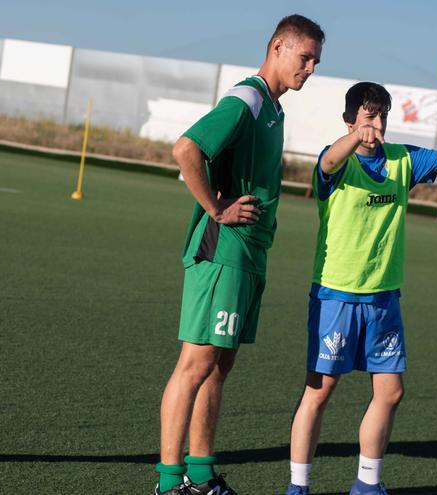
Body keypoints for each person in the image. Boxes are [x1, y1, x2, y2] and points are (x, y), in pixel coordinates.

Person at [286, 82, 437, 495]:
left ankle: (367, 484)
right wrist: (353, 139)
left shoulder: (402, 159)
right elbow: (329, 160)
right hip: (337, 295)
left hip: (384, 298)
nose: (377, 124)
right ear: (350, 120)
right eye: (369, 116)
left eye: (382, 116)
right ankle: (298, 487)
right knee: (321, 390)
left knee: (392, 391)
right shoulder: (337, 162)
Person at [155, 14, 325, 495]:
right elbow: (186, 148)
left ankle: (201, 474)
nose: (309, 68)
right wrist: (216, 207)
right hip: (223, 252)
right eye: (304, 56)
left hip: (249, 255)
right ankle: (170, 485)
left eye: (315, 61)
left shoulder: (274, 107)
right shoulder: (247, 98)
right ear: (277, 46)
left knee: (218, 367)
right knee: (196, 363)